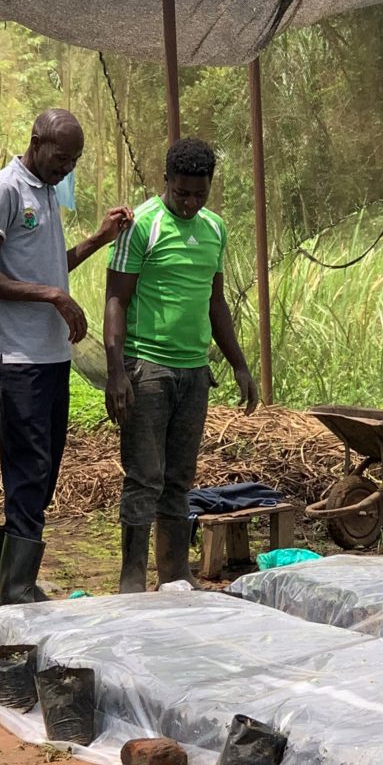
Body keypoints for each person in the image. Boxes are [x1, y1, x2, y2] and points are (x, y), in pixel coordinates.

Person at [0, 108, 131, 605]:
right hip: (17, 355)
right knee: (28, 465)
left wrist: (98, 239)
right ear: (36, 142)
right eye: (61, 157)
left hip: (49, 355)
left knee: (45, 465)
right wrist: (54, 298)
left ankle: (11, 579)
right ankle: (15, 588)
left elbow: (46, 268)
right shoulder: (6, 190)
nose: (66, 168)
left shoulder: (45, 193)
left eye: (74, 161)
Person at [104, 136, 260, 593]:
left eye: (199, 194)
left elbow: (216, 302)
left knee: (179, 479)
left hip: (194, 372)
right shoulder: (143, 225)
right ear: (166, 182)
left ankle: (175, 573)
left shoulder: (214, 229)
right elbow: (116, 298)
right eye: (182, 193)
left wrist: (239, 364)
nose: (190, 203)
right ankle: (132, 578)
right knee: (144, 476)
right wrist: (117, 371)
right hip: (147, 369)